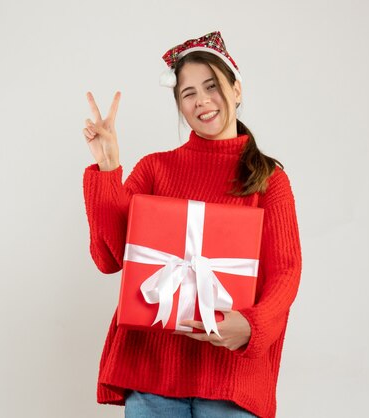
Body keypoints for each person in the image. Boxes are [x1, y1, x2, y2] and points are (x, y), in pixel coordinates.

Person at [81, 31, 302, 418]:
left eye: (212, 86)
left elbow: (286, 271)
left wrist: (252, 327)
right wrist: (107, 167)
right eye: (188, 93)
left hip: (230, 376)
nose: (202, 100)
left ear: (236, 90)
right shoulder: (155, 169)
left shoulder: (268, 179)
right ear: (180, 106)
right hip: (152, 375)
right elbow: (110, 256)